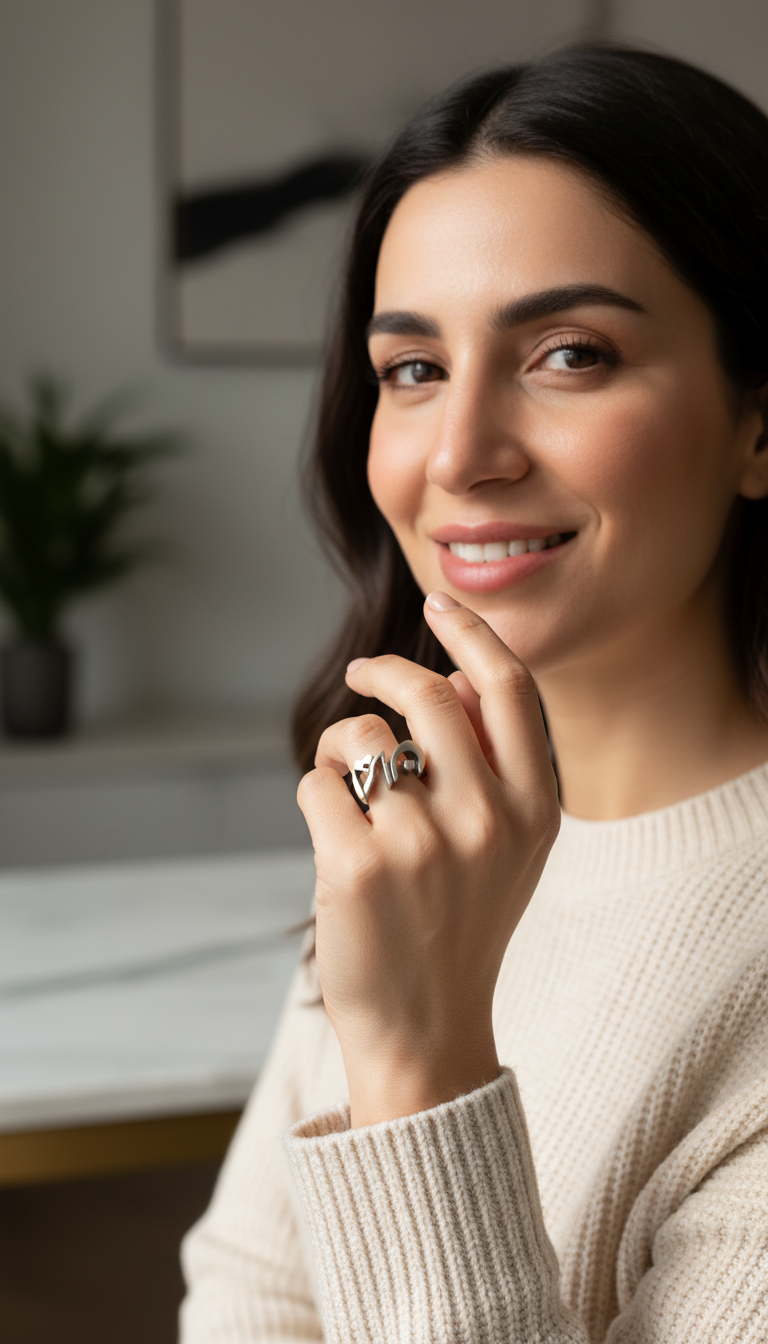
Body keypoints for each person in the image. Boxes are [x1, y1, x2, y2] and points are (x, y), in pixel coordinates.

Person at [180, 45, 768, 1342]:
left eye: (569, 353)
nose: (459, 454)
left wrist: (418, 1059)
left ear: (757, 424)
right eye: (413, 369)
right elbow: (251, 1297)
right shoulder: (416, 814)